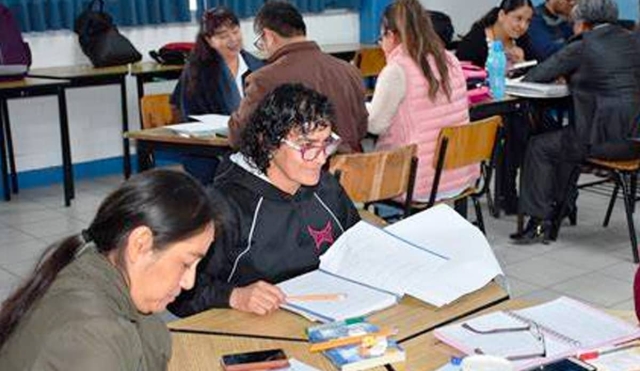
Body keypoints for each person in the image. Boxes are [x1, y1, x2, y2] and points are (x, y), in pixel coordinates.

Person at [169, 84, 360, 317]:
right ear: (268, 143)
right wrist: (233, 296)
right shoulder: (225, 206)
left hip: (330, 312)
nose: (320, 158)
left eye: (327, 143)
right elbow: (177, 293)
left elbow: (358, 246)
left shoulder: (327, 188)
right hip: (251, 327)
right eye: (307, 146)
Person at [0, 170, 215, 370]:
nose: (189, 282)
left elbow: (153, 349)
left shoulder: (114, 282)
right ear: (140, 245)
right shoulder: (92, 337)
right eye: (186, 264)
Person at [513, 0, 640, 244]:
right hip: (635, 140)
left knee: (540, 146)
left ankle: (538, 222)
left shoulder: (583, 45)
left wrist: (566, 72)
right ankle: (564, 204)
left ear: (582, 24)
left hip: (603, 142)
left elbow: (536, 76)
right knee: (565, 139)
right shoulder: (633, 39)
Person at [368, 0, 478, 203]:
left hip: (415, 182)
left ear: (391, 36)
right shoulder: (450, 60)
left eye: (381, 38)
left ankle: (396, 230)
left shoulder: (396, 70)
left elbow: (375, 125)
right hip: (460, 175)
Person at [227, 1, 368, 153]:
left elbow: (239, 137)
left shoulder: (264, 79)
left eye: (261, 42)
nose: (264, 50)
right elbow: (361, 129)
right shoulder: (349, 70)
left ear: (269, 36)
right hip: (352, 171)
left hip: (298, 173)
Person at [170, 7, 263, 185]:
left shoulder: (257, 67)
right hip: (209, 151)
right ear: (209, 40)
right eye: (222, 36)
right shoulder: (198, 73)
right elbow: (189, 118)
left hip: (252, 144)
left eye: (235, 31)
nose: (233, 40)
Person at [456, 0, 535, 68]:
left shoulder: (522, 40)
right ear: (501, 15)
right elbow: (463, 77)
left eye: (528, 21)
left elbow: (534, 75)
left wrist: (522, 63)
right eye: (518, 18)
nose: (523, 26)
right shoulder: (474, 42)